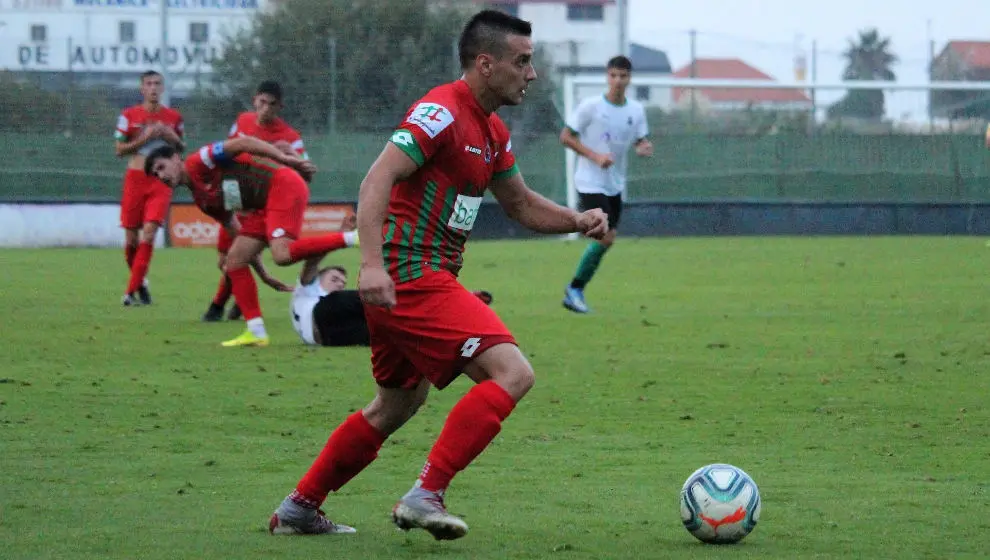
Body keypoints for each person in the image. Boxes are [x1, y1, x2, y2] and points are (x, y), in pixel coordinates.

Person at [267, 9, 607, 540]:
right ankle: (425, 495)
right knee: (512, 373)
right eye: (523, 61)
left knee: (396, 404)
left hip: (414, 277)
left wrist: (576, 219)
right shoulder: (441, 110)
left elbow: (518, 204)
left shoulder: (492, 130)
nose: (532, 73)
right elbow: (377, 179)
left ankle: (298, 508)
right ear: (486, 63)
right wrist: (373, 266)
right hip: (409, 273)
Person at [144, 136, 350, 348]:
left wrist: (285, 159)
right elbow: (238, 235)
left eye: (161, 167)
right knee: (234, 261)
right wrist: (265, 276)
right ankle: (256, 331)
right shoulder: (204, 200)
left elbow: (242, 143)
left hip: (283, 183)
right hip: (264, 207)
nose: (161, 176)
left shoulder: (200, 161)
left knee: (282, 254)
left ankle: (351, 237)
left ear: (177, 158)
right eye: (156, 174)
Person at [203, 80, 311, 323]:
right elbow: (228, 152)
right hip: (236, 197)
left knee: (236, 257)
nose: (265, 109)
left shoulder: (290, 136)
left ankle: (218, 306)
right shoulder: (242, 122)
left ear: (279, 107)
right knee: (224, 260)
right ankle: (237, 302)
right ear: (255, 100)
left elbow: (306, 174)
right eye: (262, 102)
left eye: (272, 105)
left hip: (263, 203)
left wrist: (291, 155)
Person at [559, 55, 653, 314]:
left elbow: (639, 139)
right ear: (607, 77)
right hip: (590, 182)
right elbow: (566, 136)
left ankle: (575, 289)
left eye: (623, 76)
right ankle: (574, 289)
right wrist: (595, 156)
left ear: (629, 79)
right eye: (613, 76)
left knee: (607, 239)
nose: (618, 81)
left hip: (614, 184)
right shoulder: (591, 107)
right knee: (606, 235)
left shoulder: (636, 110)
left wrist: (643, 147)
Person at [291, 251, 495, 348]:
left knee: (388, 328)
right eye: (334, 279)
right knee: (377, 302)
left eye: (342, 282)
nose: (338, 284)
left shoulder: (333, 298)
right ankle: (451, 302)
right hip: (323, 320)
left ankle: (452, 311)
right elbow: (312, 259)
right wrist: (344, 236)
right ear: (319, 278)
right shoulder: (307, 289)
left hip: (328, 337)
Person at [114, 70, 185, 307]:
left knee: (150, 233)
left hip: (160, 180)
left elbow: (180, 147)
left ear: (162, 88)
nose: (153, 88)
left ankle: (130, 292)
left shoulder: (173, 116)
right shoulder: (129, 115)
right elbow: (119, 149)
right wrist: (145, 138)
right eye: (149, 84)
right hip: (135, 178)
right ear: (142, 89)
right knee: (131, 239)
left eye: (157, 84)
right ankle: (141, 282)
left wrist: (170, 136)